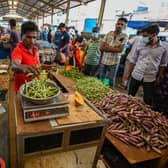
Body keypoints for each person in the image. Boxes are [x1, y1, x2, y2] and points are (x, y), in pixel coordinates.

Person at [125, 24, 168, 106]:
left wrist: (159, 77)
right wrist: (128, 74)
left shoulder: (164, 48)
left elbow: (163, 64)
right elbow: (133, 60)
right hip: (136, 74)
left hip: (150, 77)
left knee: (147, 100)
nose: (143, 38)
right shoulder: (140, 44)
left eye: (145, 36)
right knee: (130, 96)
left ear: (154, 35)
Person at [11, 21, 40, 92]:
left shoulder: (35, 49)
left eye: (34, 37)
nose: (32, 41)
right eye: (28, 37)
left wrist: (48, 66)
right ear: (21, 36)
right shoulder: (18, 50)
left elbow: (38, 64)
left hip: (36, 87)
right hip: (23, 91)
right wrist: (24, 67)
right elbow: (14, 65)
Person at [99, 17, 128, 88]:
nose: (119, 26)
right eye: (118, 24)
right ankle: (101, 89)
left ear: (124, 26)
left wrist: (107, 47)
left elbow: (120, 50)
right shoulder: (109, 34)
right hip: (104, 60)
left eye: (122, 24)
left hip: (114, 62)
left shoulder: (125, 36)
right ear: (115, 24)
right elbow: (101, 47)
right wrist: (115, 48)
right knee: (101, 78)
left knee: (111, 80)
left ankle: (110, 94)